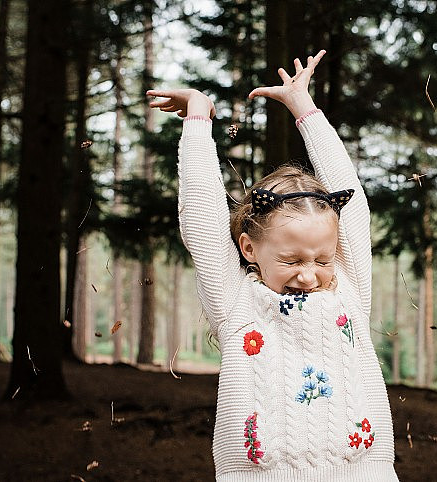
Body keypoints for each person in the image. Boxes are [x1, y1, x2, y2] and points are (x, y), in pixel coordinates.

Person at [147, 50, 399, 481]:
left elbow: (352, 207)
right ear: (248, 248)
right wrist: (198, 119)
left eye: (322, 258)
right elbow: (204, 219)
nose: (309, 273)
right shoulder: (235, 301)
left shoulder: (348, 289)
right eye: (290, 259)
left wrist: (305, 109)